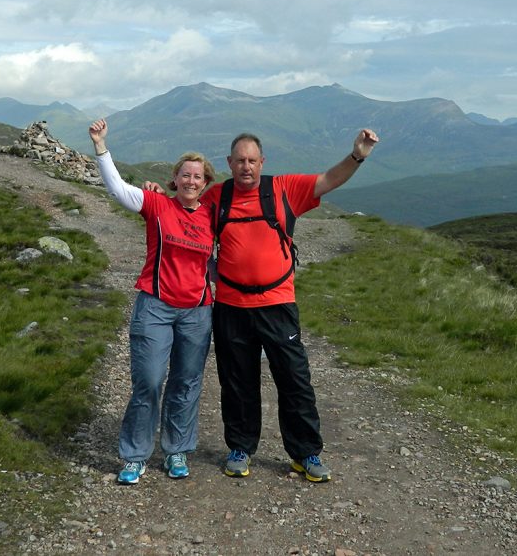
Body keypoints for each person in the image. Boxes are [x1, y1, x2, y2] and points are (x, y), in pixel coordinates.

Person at [146, 128, 379, 482]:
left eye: (252, 160)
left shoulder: (283, 189)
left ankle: (306, 454)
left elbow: (330, 179)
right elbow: (185, 210)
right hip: (230, 304)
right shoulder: (217, 197)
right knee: (237, 380)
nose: (246, 167)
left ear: (262, 162)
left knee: (294, 379)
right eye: (239, 161)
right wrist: (160, 195)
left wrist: (358, 155)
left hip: (277, 303)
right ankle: (240, 447)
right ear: (229, 163)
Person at [88, 118, 216, 485]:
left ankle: (176, 450)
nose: (191, 181)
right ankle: (135, 455)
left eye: (198, 177)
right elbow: (117, 189)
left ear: (205, 184)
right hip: (156, 306)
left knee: (186, 382)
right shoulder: (157, 205)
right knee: (149, 380)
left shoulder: (211, 216)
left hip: (198, 310)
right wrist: (100, 145)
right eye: (185, 175)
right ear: (175, 179)